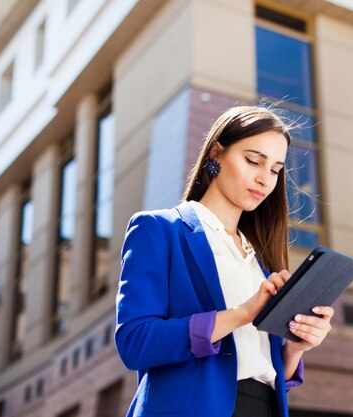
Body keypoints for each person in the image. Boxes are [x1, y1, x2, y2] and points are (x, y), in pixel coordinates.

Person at [114, 105, 335, 417]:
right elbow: (135, 343)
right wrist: (242, 314)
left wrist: (297, 347)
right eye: (253, 161)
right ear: (216, 153)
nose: (264, 179)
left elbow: (268, 374)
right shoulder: (159, 229)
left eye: (275, 170)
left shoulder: (261, 261)